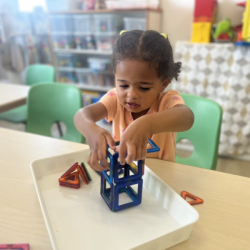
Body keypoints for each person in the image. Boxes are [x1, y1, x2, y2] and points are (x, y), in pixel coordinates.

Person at [74, 30, 194, 172]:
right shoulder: (115, 99)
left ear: (163, 84)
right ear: (115, 78)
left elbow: (187, 117)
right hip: (125, 173)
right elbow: (81, 115)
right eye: (123, 85)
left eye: (143, 88)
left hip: (163, 179)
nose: (131, 95)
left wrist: (146, 124)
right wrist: (91, 131)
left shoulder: (166, 101)